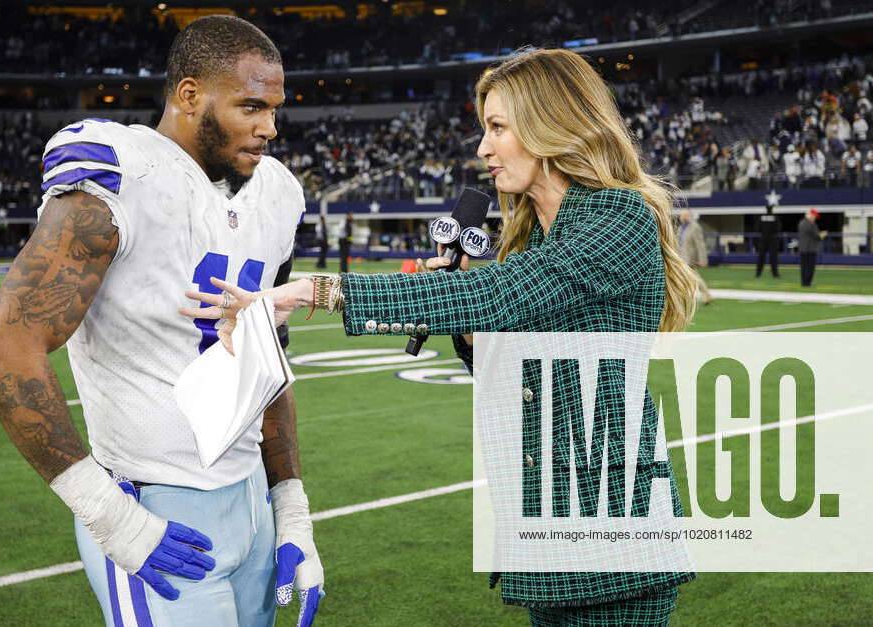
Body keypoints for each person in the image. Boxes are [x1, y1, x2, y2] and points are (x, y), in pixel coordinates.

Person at [188, 48, 699, 626]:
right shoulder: (535, 238)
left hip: (610, 539)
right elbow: (515, 360)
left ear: (551, 125)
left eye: (498, 127)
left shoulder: (616, 216)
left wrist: (312, 292)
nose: (483, 148)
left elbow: (495, 295)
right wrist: (468, 328)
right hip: (552, 533)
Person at [0, 16, 323, 627]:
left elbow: (269, 357)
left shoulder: (279, 193)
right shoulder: (119, 174)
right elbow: (4, 350)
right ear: (189, 96)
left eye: (274, 109)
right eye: (250, 107)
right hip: (154, 506)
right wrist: (111, 517)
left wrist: (291, 507)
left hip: (251, 506)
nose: (269, 128)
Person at [678, 209, 712, 303]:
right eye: (682, 215)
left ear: (689, 216)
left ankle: (706, 295)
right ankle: (685, 296)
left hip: (690, 258)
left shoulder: (695, 227)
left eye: (685, 215)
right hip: (681, 257)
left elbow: (700, 244)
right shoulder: (681, 228)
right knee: (687, 278)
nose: (683, 217)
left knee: (695, 278)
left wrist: (703, 259)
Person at [798, 208, 824, 287]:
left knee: (804, 267)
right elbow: (817, 236)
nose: (815, 218)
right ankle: (808, 283)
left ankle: (804, 283)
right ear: (811, 215)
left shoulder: (801, 223)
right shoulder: (811, 224)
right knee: (810, 267)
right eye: (814, 216)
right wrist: (823, 235)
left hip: (803, 248)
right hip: (810, 248)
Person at [756, 203, 780, 277]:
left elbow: (758, 229)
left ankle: (758, 274)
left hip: (763, 239)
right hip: (772, 239)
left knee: (761, 257)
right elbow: (778, 229)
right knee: (773, 257)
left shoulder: (761, 217)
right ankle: (775, 274)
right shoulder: (775, 217)